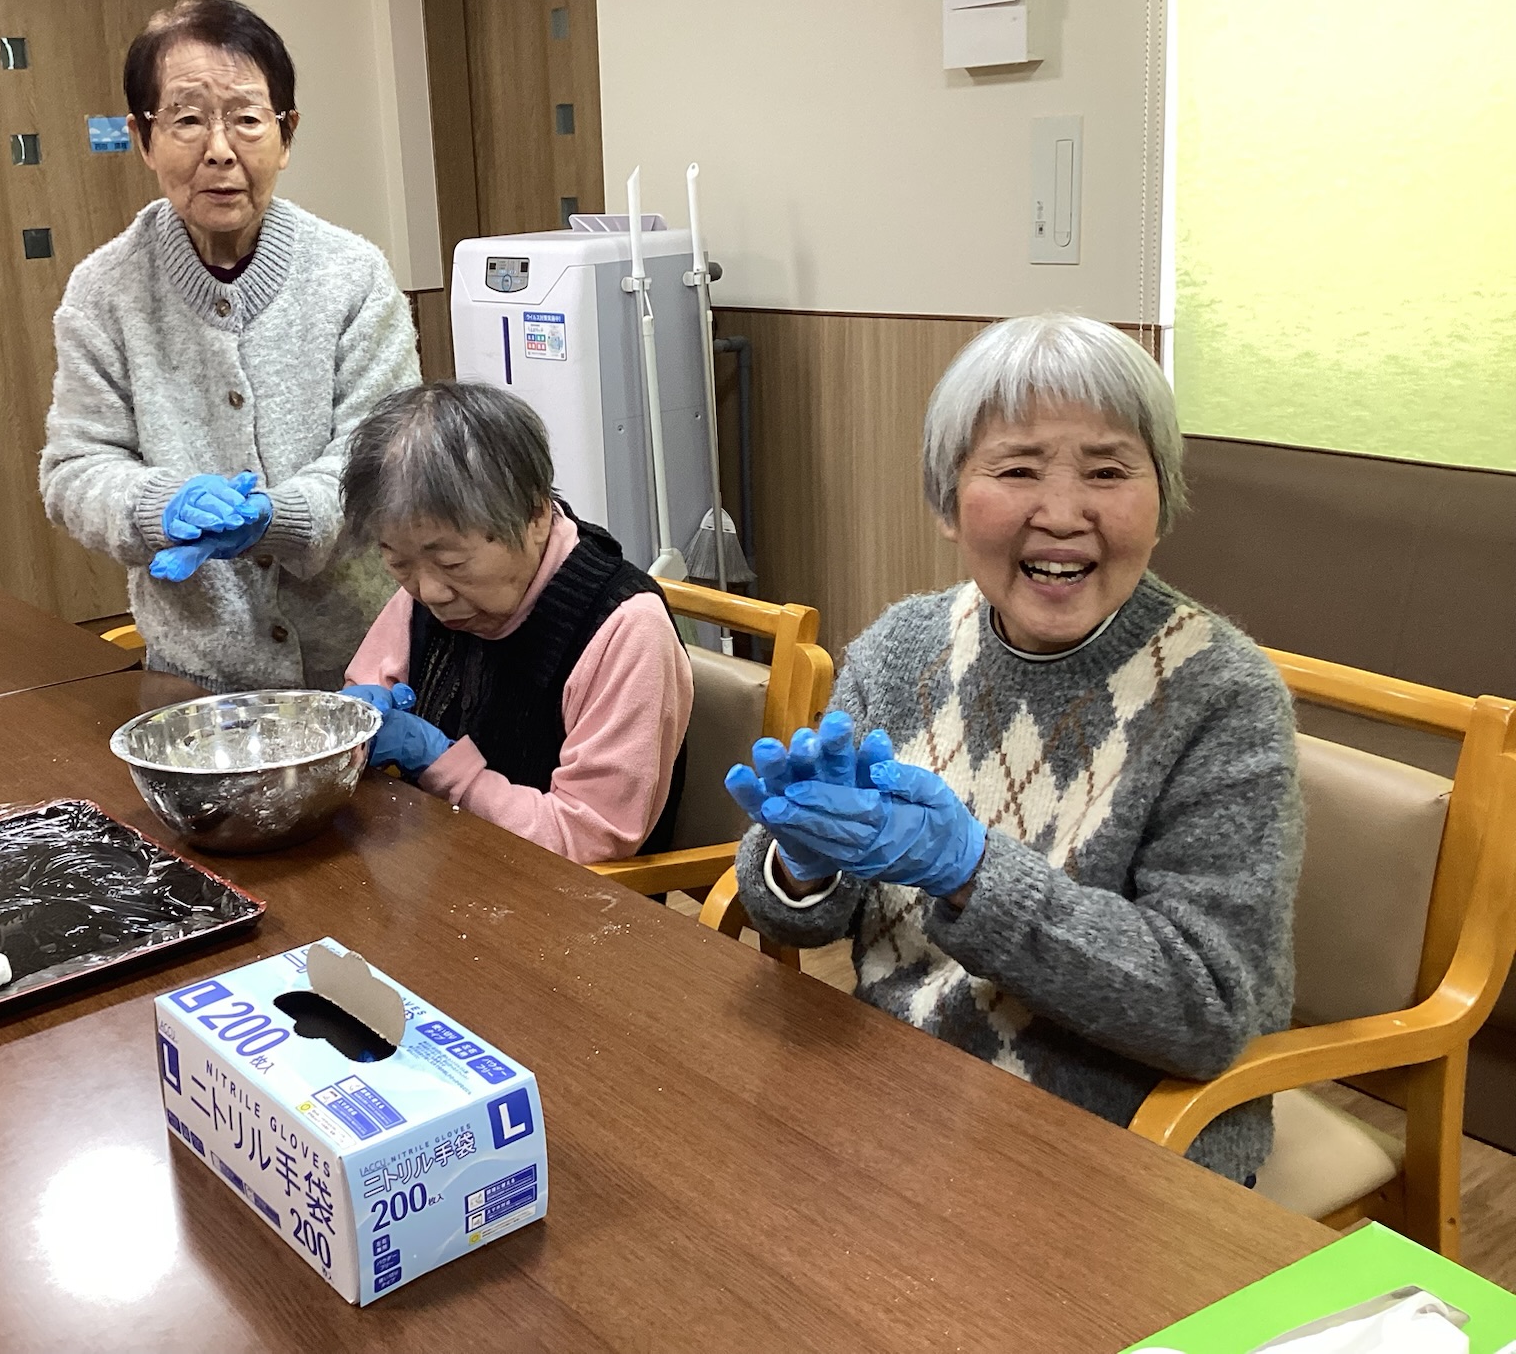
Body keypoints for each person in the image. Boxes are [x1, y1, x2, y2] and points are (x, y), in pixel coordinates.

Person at [725, 313, 1302, 1183]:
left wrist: (968, 870)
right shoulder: (901, 651)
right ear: (949, 498)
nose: (1064, 513)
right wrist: (804, 862)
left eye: (1108, 471)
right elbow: (793, 916)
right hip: (900, 1090)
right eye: (1017, 468)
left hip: (1120, 1143)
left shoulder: (1223, 697)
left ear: (1163, 497)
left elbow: (1209, 1008)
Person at [39, 0, 420, 692]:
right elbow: (73, 470)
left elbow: (382, 459)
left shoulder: (352, 275)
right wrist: (161, 505)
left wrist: (282, 517)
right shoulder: (104, 290)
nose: (219, 149)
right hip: (197, 679)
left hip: (362, 669)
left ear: (286, 132)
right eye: (186, 119)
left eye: (246, 118)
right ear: (142, 136)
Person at [337, 382, 694, 866]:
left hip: (567, 907)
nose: (429, 593)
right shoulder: (430, 582)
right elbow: (368, 685)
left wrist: (442, 763)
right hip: (444, 868)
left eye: (454, 563)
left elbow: (584, 839)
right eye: (398, 563)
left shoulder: (624, 628)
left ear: (536, 516)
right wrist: (354, 721)